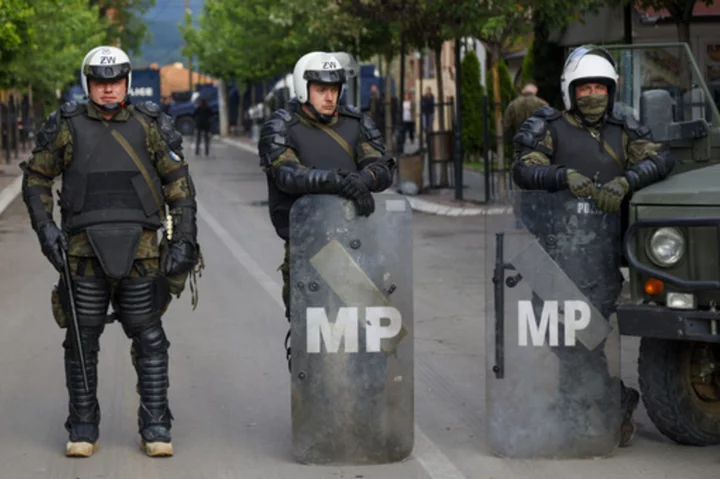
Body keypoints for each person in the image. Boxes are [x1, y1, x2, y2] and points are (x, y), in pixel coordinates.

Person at [20, 45, 200, 458]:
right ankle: (83, 426)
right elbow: (36, 180)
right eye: (100, 82)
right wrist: (45, 229)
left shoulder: (150, 124)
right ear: (89, 85)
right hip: (82, 252)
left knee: (149, 336)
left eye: (115, 81)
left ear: (127, 83)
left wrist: (185, 239)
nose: (107, 90)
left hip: (141, 251)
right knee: (82, 339)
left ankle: (156, 426)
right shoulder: (66, 125)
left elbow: (179, 186)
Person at [511, 45, 675, 447]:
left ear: (611, 90)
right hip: (552, 246)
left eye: (600, 87)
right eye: (584, 88)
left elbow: (659, 159)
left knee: (585, 335)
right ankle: (607, 399)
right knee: (556, 333)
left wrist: (626, 182)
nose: (592, 95)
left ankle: (594, 408)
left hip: (598, 252)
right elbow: (524, 167)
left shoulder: (625, 126)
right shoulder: (547, 124)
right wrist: (560, 175)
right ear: (571, 90)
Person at [257, 51, 395, 370]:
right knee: (314, 337)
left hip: (357, 241)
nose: (329, 96)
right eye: (321, 89)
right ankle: (314, 412)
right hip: (310, 245)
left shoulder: (356, 123)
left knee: (372, 333)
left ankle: (368, 411)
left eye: (334, 89)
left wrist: (363, 178)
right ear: (304, 89)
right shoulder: (282, 126)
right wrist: (338, 181)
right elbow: (287, 173)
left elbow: (381, 165)